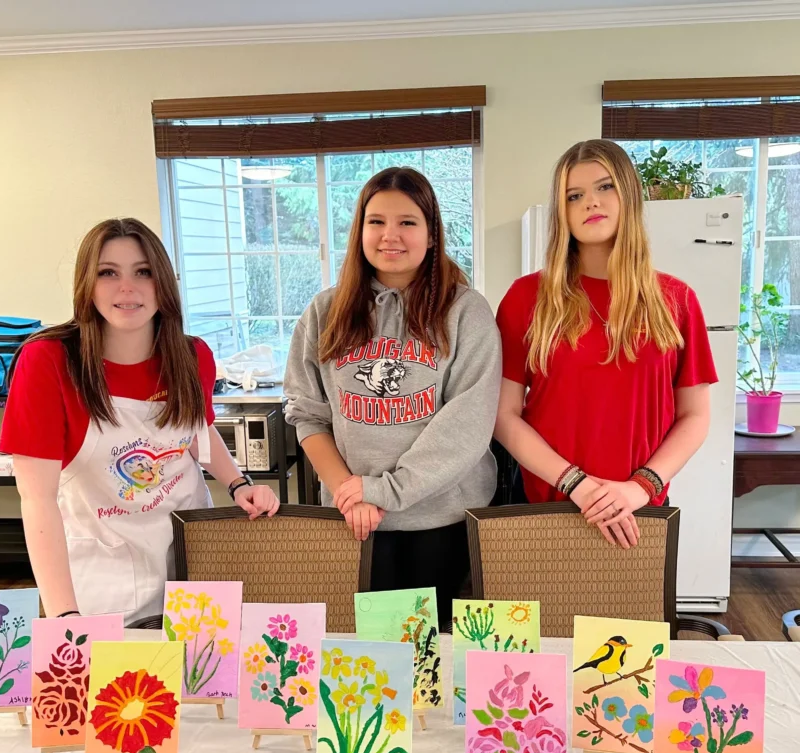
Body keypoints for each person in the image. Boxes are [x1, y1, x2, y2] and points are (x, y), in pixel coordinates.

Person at [0, 218, 279, 621]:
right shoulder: (49, 362)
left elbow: (196, 431)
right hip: (105, 574)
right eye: (108, 273)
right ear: (86, 284)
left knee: (202, 676)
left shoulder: (192, 355)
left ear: (162, 283)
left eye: (143, 272)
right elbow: (37, 500)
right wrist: (64, 616)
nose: (127, 288)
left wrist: (237, 484)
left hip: (192, 555)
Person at [284, 167, 501, 630]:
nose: (390, 235)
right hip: (354, 520)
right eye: (376, 221)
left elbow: (467, 423)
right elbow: (308, 414)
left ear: (431, 232)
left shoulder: (466, 311)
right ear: (360, 229)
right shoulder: (325, 311)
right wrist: (351, 493)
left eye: (407, 222)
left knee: (427, 662)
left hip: (440, 521)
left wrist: (383, 490)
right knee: (364, 656)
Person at [494, 139, 716, 549]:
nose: (590, 203)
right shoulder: (526, 298)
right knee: (545, 616)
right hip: (549, 505)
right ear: (562, 212)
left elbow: (696, 416)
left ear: (629, 194)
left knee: (630, 616)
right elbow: (504, 415)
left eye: (605, 187)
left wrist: (638, 488)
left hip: (639, 511)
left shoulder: (676, 300)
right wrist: (576, 483)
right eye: (574, 195)